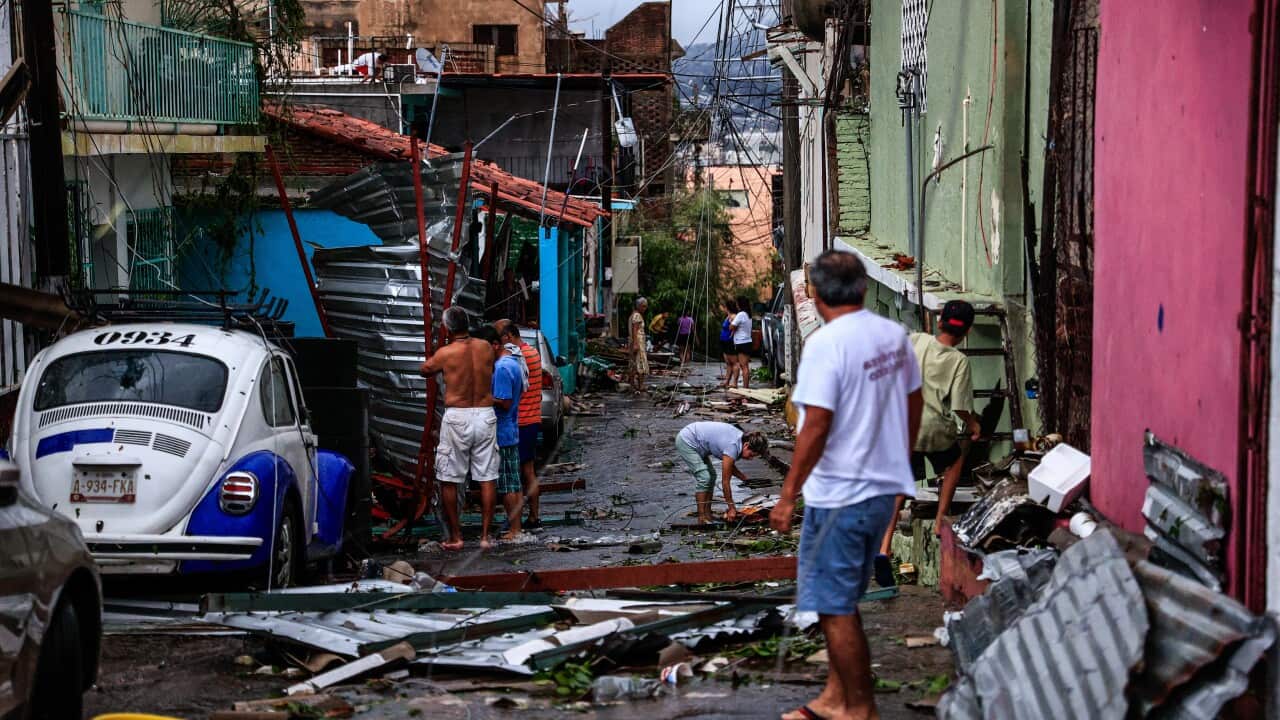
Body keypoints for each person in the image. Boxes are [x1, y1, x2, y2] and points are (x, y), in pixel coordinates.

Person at [769, 250, 923, 720]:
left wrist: (788, 494)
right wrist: (900, 457)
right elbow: (914, 402)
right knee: (844, 602)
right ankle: (836, 697)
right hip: (878, 492)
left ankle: (858, 709)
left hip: (839, 496)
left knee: (833, 607)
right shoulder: (892, 335)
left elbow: (815, 425)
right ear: (863, 287)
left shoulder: (826, 344)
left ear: (814, 294)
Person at [880, 300, 982, 556]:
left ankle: (884, 546)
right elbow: (960, 406)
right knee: (954, 463)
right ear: (967, 331)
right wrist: (974, 425)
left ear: (939, 323)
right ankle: (940, 519)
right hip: (936, 429)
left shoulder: (917, 340)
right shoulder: (960, 361)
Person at [420, 307, 499, 551]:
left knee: (449, 478)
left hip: (457, 416)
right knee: (487, 477)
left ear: (448, 328)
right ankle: (486, 537)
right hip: (485, 415)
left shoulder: (446, 353)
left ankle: (456, 536)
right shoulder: (485, 347)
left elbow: (425, 369)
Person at [476, 326, 526, 543]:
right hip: (509, 429)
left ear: (495, 345)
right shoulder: (511, 363)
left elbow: (504, 402)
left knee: (507, 485)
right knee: (512, 482)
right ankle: (516, 527)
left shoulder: (503, 368)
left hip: (503, 430)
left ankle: (515, 529)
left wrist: (483, 397)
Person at [497, 319, 545, 529]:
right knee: (528, 471)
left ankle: (520, 520)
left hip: (521, 420)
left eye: (499, 337)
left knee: (516, 475)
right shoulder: (532, 352)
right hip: (532, 418)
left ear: (508, 336)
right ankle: (533, 516)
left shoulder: (517, 357)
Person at [675, 422, 770, 524]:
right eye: (751, 455)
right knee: (705, 477)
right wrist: (732, 508)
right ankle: (702, 518)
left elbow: (729, 466)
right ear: (746, 445)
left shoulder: (740, 441)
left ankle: (707, 515)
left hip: (698, 442)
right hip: (687, 440)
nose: (750, 459)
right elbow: (725, 482)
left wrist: (745, 479)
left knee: (712, 476)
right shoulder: (732, 446)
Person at [730, 296, 753, 389]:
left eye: (737, 303)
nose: (736, 305)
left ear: (740, 304)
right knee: (745, 366)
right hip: (747, 341)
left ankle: (745, 387)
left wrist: (731, 324)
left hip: (741, 342)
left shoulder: (741, 314)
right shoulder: (748, 314)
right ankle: (746, 386)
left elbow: (732, 327)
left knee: (744, 367)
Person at [628, 297, 650, 393]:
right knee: (640, 363)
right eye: (643, 306)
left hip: (634, 341)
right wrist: (636, 344)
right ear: (639, 306)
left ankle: (633, 385)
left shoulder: (633, 315)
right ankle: (640, 385)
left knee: (633, 363)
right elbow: (635, 330)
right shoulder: (637, 316)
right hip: (638, 342)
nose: (645, 308)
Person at [720, 301, 738, 388]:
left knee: (734, 362)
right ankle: (727, 381)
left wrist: (731, 337)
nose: (724, 309)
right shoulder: (728, 316)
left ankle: (735, 382)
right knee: (728, 363)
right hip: (724, 341)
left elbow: (734, 328)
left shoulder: (733, 316)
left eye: (725, 307)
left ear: (728, 307)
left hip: (729, 341)